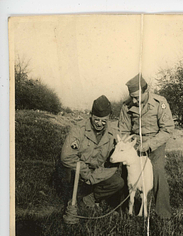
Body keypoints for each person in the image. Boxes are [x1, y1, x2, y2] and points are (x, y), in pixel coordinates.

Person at [118, 74, 174, 219]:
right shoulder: (126, 106)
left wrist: (149, 145)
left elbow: (167, 129)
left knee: (157, 172)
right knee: (125, 172)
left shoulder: (159, 102)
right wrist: (127, 146)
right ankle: (125, 209)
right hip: (135, 145)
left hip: (155, 144)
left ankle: (164, 214)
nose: (134, 101)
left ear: (146, 90)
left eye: (137, 97)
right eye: (132, 97)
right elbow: (123, 130)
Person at [59, 95, 124, 210]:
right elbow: (66, 157)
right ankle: (72, 196)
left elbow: (113, 163)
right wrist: (85, 172)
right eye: (96, 119)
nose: (99, 124)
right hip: (79, 171)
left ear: (109, 117)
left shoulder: (114, 134)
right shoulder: (79, 129)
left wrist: (96, 176)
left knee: (118, 182)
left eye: (103, 121)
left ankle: (90, 199)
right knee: (66, 173)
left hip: (97, 172)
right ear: (91, 115)